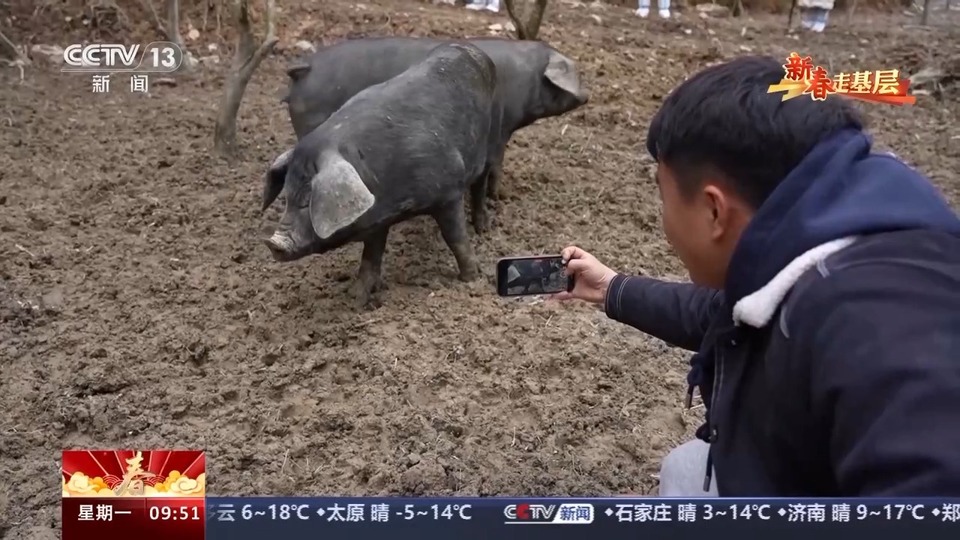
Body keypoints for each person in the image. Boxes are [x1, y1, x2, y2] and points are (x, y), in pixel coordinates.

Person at [556, 55, 960, 496]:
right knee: (688, 470)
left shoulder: (876, 323)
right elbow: (723, 314)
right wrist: (612, 288)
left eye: (664, 197)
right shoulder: (830, 242)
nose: (664, 222)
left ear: (713, 210)